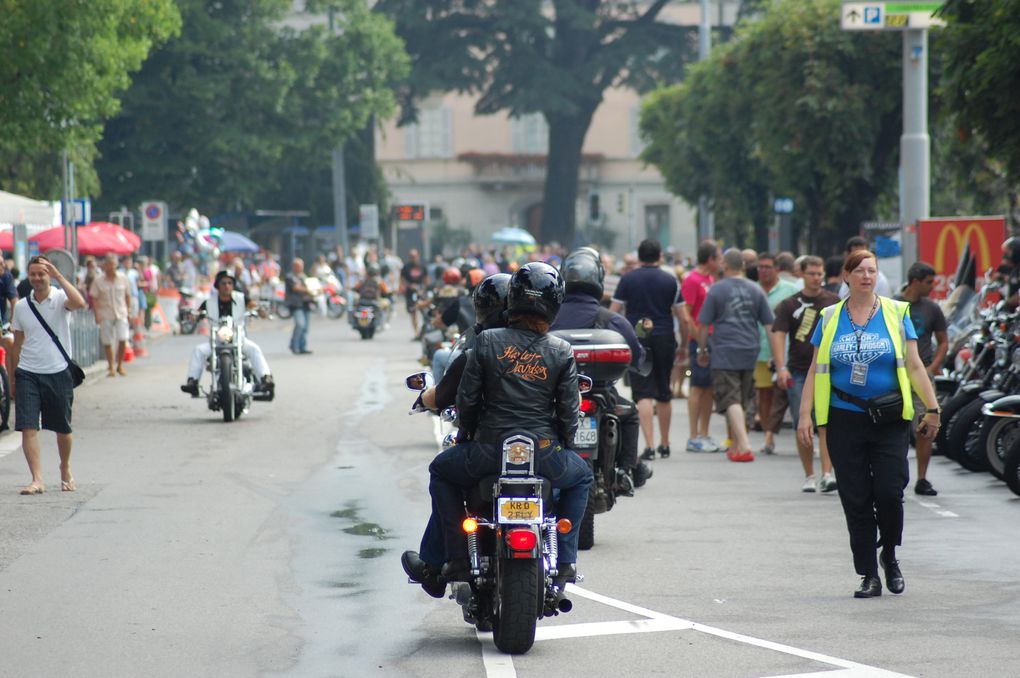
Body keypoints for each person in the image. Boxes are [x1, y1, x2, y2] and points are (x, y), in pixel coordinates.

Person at [402, 263, 592, 595]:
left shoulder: (487, 341)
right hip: (545, 452)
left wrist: (470, 435)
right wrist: (563, 444)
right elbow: (568, 412)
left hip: (488, 451)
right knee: (582, 476)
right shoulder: (561, 351)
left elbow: (468, 401)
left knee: (441, 472)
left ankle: (458, 559)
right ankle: (566, 561)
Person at [798, 249, 940, 598]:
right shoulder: (830, 317)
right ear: (846, 276)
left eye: (871, 271)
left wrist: (932, 408)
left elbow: (915, 364)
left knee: (890, 492)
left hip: (889, 418)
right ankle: (867, 573)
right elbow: (817, 369)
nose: (866, 276)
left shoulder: (895, 312)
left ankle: (889, 555)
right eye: (859, 271)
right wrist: (806, 415)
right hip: (844, 418)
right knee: (856, 497)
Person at [551, 248, 651, 491]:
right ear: (598, 279)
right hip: (602, 394)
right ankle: (627, 470)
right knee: (630, 413)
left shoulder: (548, 316)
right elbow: (637, 354)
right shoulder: (612, 319)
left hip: (554, 396)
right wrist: (639, 363)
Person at [11, 255, 88, 495]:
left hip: (57, 371)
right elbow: (17, 343)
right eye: (32, 274)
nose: (36, 278)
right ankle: (37, 478)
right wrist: (13, 376)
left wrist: (59, 276)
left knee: (62, 428)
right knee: (27, 426)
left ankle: (65, 468)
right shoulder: (22, 306)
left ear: (49, 275)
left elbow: (80, 302)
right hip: (28, 372)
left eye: (41, 274)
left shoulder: (60, 298)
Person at [610, 239, 689, 460]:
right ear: (660, 256)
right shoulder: (671, 280)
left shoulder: (628, 279)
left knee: (643, 392)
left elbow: (614, 311)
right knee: (664, 391)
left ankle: (650, 446)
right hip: (664, 337)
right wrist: (683, 345)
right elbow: (683, 318)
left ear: (639, 256)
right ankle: (665, 444)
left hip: (637, 338)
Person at [695, 249, 775, 462]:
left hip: (724, 349)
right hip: (750, 349)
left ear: (725, 265)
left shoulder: (716, 290)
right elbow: (769, 325)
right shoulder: (756, 290)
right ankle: (739, 446)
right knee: (743, 398)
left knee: (730, 398)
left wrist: (701, 350)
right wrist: (776, 355)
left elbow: (703, 325)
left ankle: (745, 445)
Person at [769, 256, 839, 492]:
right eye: (811, 273)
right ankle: (809, 474)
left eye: (820, 274)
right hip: (799, 371)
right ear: (802, 274)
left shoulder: (833, 302)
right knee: (803, 423)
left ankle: (827, 473)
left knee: (826, 423)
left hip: (828, 372)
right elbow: (778, 335)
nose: (816, 278)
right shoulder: (790, 304)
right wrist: (781, 368)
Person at [895, 261, 948, 497]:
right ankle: (894, 478)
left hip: (922, 374)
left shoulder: (932, 308)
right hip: (896, 373)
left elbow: (943, 340)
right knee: (894, 427)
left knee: (926, 425)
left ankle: (922, 478)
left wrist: (933, 367)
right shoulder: (892, 306)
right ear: (915, 281)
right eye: (928, 282)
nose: (931, 287)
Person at [180, 270, 274, 398]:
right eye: (223, 283)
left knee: (254, 349)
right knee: (199, 350)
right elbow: (197, 313)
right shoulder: (209, 302)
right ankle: (193, 382)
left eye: (230, 283)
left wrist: (260, 311)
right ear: (217, 286)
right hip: (216, 340)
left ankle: (265, 378)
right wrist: (193, 316)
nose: (227, 286)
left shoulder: (241, 298)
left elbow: (254, 306)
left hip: (238, 339)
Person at [753, 252, 799, 455]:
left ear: (777, 269)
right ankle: (767, 436)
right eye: (760, 267)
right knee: (764, 395)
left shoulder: (791, 291)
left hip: (785, 350)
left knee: (786, 394)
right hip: (759, 351)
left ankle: (801, 435)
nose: (764, 271)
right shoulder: (752, 290)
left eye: (768, 267)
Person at [681, 240, 723, 453]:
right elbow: (686, 312)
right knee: (698, 387)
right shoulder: (692, 280)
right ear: (710, 259)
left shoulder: (711, 279)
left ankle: (705, 433)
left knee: (710, 388)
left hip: (714, 339)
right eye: (719, 256)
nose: (721, 261)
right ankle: (693, 435)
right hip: (699, 340)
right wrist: (698, 339)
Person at [89, 254, 132, 377]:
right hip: (105, 313)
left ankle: (120, 365)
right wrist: (97, 314)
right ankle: (111, 366)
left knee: (123, 338)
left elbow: (128, 295)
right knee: (107, 341)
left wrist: (129, 311)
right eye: (109, 265)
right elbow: (94, 298)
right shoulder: (98, 280)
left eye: (113, 265)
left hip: (121, 312)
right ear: (105, 266)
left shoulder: (123, 278)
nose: (111, 267)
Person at [285, 258, 313, 355]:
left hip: (306, 304)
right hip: (296, 305)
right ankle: (295, 346)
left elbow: (311, 286)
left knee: (305, 327)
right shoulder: (290, 277)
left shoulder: (304, 277)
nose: (300, 268)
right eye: (298, 266)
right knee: (300, 324)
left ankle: (302, 347)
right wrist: (307, 289)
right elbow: (296, 288)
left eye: (301, 266)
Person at [400, 249, 427, 337]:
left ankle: (424, 330)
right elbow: (402, 279)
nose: (413, 258)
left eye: (414, 256)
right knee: (413, 312)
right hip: (410, 293)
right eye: (411, 257)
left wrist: (423, 289)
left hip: (421, 292)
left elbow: (426, 279)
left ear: (418, 256)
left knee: (425, 312)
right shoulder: (406, 267)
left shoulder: (422, 266)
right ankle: (416, 332)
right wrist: (409, 285)